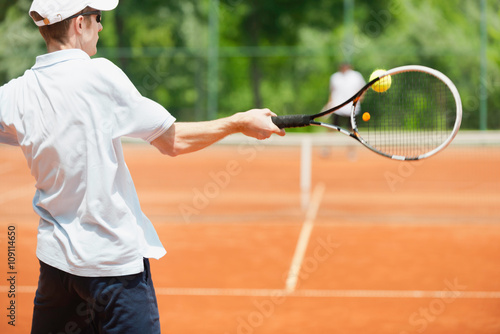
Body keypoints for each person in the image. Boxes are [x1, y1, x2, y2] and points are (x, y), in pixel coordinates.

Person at [0, 1, 285, 333]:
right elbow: (172, 141)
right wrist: (238, 122)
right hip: (114, 273)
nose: (102, 27)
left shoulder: (16, 92)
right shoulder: (99, 74)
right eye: (98, 18)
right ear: (79, 24)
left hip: (56, 269)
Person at [324, 63, 366, 129]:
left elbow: (363, 88)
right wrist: (330, 103)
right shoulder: (335, 77)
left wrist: (360, 98)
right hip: (337, 107)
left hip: (353, 107)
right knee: (332, 127)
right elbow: (332, 92)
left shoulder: (357, 76)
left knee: (352, 128)